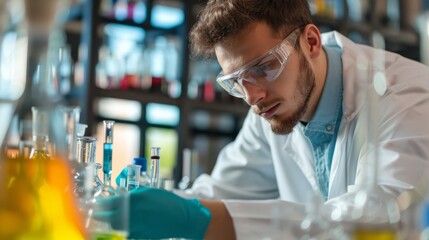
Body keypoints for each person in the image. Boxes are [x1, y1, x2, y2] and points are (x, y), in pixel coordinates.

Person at [93, 0, 429, 239]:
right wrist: (158, 205)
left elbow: (379, 219)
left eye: (265, 67)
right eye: (235, 82)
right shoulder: (271, 105)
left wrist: (192, 219)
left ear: (310, 42)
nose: (252, 97)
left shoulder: (405, 97)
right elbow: (224, 191)